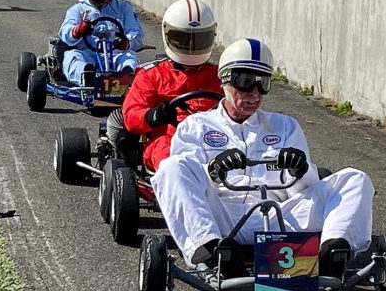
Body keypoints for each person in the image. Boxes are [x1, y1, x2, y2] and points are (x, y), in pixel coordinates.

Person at [151, 38, 374, 278]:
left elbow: (306, 190)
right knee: (171, 167)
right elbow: (186, 180)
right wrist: (213, 169)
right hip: (223, 219)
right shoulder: (196, 126)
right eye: (246, 82)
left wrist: (300, 169)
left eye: (262, 84)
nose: (254, 94)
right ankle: (213, 251)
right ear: (226, 80)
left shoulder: (285, 126)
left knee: (355, 178)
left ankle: (331, 254)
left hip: (280, 218)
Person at [118, 0, 222, 171]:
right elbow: (131, 116)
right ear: (168, 35)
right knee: (172, 162)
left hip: (215, 138)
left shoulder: (219, 76)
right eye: (183, 40)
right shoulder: (151, 75)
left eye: (198, 40)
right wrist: (154, 115)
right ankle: (179, 189)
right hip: (169, 136)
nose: (191, 47)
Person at [58, 0, 144, 87]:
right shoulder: (78, 9)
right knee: (72, 56)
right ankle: (88, 79)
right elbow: (65, 33)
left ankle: (126, 80)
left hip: (115, 56)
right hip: (88, 56)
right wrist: (77, 31)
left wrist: (126, 42)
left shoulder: (123, 7)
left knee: (129, 57)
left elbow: (136, 34)